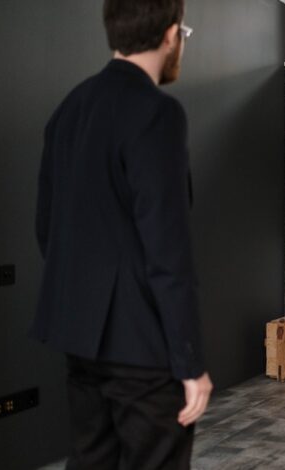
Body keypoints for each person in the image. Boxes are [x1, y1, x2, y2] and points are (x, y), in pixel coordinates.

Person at [31, 0, 212, 468]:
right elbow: (168, 252)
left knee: (91, 462)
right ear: (172, 35)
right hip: (144, 348)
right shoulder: (158, 113)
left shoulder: (68, 110)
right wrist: (190, 364)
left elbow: (47, 230)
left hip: (80, 339)